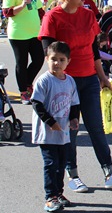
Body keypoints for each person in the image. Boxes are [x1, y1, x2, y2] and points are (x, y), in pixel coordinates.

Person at [39, 0, 112, 192]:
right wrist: (57, 79)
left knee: (96, 127)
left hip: (88, 78)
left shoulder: (88, 16)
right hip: (65, 82)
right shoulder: (53, 17)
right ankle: (73, 175)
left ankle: (109, 172)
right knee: (71, 129)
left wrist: (102, 77)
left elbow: (93, 49)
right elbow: (48, 53)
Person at [31, 41, 80, 212]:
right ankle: (50, 197)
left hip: (63, 133)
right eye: (53, 59)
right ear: (46, 59)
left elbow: (74, 103)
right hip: (47, 132)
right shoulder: (44, 81)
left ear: (68, 61)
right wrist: (50, 122)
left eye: (61, 59)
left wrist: (74, 118)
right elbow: (36, 103)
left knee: (61, 164)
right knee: (51, 163)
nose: (57, 63)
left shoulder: (70, 81)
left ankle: (59, 193)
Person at [2, 0, 44, 105]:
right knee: (22, 62)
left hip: (34, 32)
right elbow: (7, 12)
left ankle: (27, 83)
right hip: (18, 33)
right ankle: (23, 91)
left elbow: (39, 10)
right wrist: (22, 4)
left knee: (39, 59)